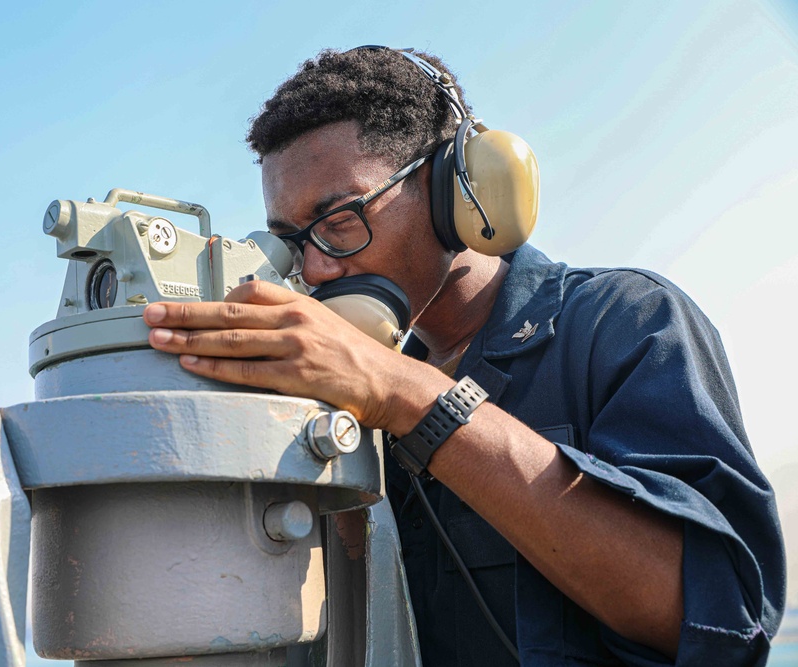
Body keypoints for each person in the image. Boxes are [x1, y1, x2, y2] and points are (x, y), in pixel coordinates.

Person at [143, 47, 785, 666]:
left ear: (454, 188)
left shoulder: (627, 322)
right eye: (290, 241)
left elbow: (717, 622)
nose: (314, 268)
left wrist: (404, 393)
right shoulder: (336, 397)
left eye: (340, 219)